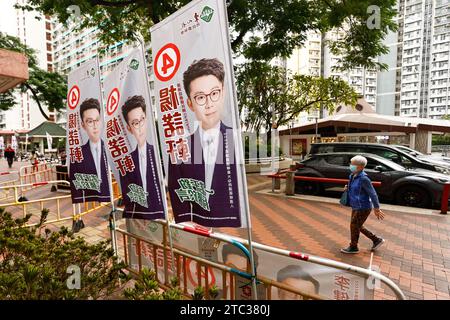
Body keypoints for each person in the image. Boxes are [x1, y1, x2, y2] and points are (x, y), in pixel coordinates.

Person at [168, 58, 240, 227]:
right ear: (190, 104)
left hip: (227, 228)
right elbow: (176, 192)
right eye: (200, 97)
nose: (209, 104)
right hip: (194, 227)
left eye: (214, 93)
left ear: (223, 93)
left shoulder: (235, 140)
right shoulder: (181, 148)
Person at [120, 95, 164, 220]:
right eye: (135, 123)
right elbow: (128, 193)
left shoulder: (158, 153)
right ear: (129, 128)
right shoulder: (127, 161)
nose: (140, 126)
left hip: (160, 214)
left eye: (142, 120)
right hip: (139, 216)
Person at [341, 155, 385, 254]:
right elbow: (354, 188)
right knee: (357, 225)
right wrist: (347, 188)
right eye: (351, 164)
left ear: (360, 167)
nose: (350, 166)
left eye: (353, 164)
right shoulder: (352, 176)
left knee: (354, 225)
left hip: (363, 207)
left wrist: (377, 208)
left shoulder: (364, 179)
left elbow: (373, 193)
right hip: (355, 205)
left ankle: (353, 247)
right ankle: (376, 240)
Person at [69, 98, 110, 203]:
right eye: (90, 121)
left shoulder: (112, 150)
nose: (95, 126)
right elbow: (76, 185)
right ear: (83, 125)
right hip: (90, 201)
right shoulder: (78, 155)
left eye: (97, 120)